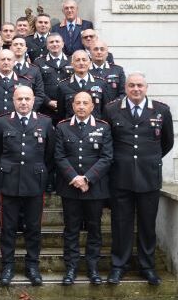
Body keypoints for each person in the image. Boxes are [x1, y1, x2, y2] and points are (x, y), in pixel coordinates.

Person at [104, 72, 174, 285]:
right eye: (132, 85)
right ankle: (119, 265)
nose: (136, 89)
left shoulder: (161, 110)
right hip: (120, 177)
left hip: (148, 177)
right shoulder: (111, 109)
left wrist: (147, 160)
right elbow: (108, 141)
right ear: (125, 87)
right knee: (121, 223)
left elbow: (167, 142)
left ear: (146, 87)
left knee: (147, 224)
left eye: (140, 85)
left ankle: (147, 266)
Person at [0, 86, 55, 286]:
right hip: (9, 183)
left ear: (34, 100)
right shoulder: (2, 122)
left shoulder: (45, 122)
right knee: (8, 228)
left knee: (34, 228)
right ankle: (7, 266)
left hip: (34, 183)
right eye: (20, 98)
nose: (23, 102)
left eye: (27, 98)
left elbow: (50, 155)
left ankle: (32, 266)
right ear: (13, 100)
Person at [55, 91, 113, 286]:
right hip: (70, 187)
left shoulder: (103, 128)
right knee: (71, 230)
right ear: (72, 106)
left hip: (94, 188)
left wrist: (87, 178)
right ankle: (71, 268)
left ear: (92, 106)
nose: (81, 106)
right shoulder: (62, 127)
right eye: (77, 103)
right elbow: (59, 156)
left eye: (85, 103)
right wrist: (75, 178)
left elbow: (107, 157)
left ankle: (93, 267)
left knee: (94, 229)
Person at [57, 50, 109, 120]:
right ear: (72, 64)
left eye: (84, 60)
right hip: (71, 128)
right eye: (77, 60)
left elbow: (105, 110)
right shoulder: (63, 85)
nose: (81, 63)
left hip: (96, 127)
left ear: (90, 63)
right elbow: (61, 113)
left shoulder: (101, 83)